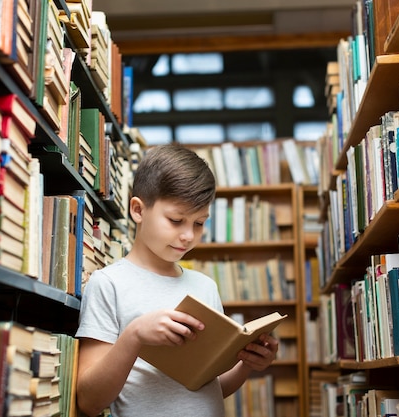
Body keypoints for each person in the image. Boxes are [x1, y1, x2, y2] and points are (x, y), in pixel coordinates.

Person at [75, 144, 279, 417]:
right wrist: (134, 335)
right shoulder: (108, 283)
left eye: (199, 223)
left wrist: (247, 364)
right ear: (138, 210)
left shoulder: (205, 287)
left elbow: (208, 386)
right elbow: (89, 401)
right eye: (176, 220)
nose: (188, 236)